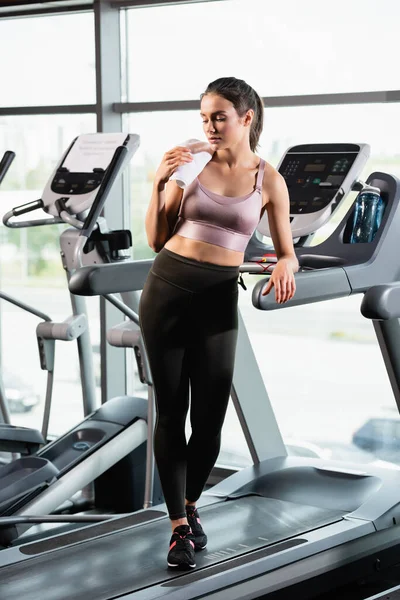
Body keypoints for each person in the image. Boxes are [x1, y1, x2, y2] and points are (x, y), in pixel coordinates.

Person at [139, 76, 299, 570]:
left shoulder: (268, 178)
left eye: (219, 117)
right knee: (171, 409)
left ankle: (191, 506)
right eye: (204, 117)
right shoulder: (191, 161)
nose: (209, 126)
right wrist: (159, 183)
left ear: (246, 118)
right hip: (167, 287)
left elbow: (287, 250)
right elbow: (156, 237)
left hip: (216, 300)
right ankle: (178, 527)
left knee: (209, 417)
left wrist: (285, 264)